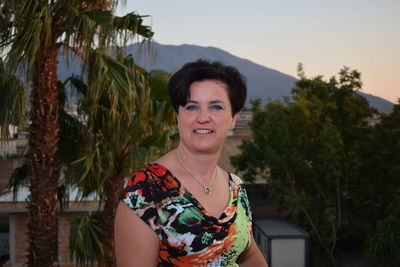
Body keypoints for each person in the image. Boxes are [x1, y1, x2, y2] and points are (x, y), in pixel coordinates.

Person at [114, 59, 268, 267]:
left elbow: (248, 255)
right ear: (178, 115)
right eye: (192, 107)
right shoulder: (145, 190)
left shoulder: (236, 188)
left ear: (233, 118)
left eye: (216, 107)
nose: (203, 117)